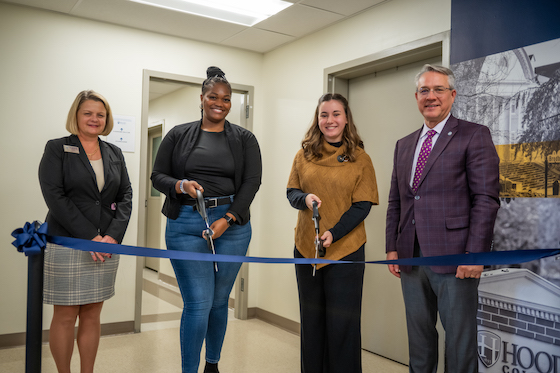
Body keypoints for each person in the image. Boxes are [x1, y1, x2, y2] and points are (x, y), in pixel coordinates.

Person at [385, 64, 500, 372]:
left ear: (452, 94)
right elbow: (397, 199)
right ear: (416, 96)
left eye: (438, 90)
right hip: (411, 257)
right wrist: (392, 247)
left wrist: (474, 254)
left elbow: (486, 200)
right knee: (419, 340)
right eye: (424, 90)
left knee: (459, 343)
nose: (431, 96)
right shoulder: (404, 144)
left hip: (456, 258)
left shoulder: (474, 135)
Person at [151, 66, 262, 373]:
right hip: (186, 223)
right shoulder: (177, 135)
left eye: (226, 99)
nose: (220, 103)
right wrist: (180, 185)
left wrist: (228, 218)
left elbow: (252, 183)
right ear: (201, 98)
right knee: (199, 303)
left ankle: (212, 365)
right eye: (213, 97)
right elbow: (157, 175)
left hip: (233, 225)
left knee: (218, 301)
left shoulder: (244, 139)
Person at [38, 90, 133, 373]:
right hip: (68, 242)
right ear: (76, 116)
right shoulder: (57, 148)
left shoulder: (114, 152)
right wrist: (90, 236)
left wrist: (112, 237)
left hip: (105, 245)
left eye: (100, 114)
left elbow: (126, 194)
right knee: (66, 316)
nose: (94, 119)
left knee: (93, 313)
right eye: (88, 113)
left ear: (107, 119)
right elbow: (55, 196)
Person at [287, 93, 379, 373]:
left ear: (346, 118)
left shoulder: (360, 159)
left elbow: (363, 205)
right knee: (312, 322)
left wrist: (333, 233)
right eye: (324, 114)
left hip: (346, 250)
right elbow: (291, 192)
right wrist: (304, 199)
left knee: (342, 326)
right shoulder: (303, 156)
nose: (330, 120)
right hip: (307, 249)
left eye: (336, 114)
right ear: (317, 119)